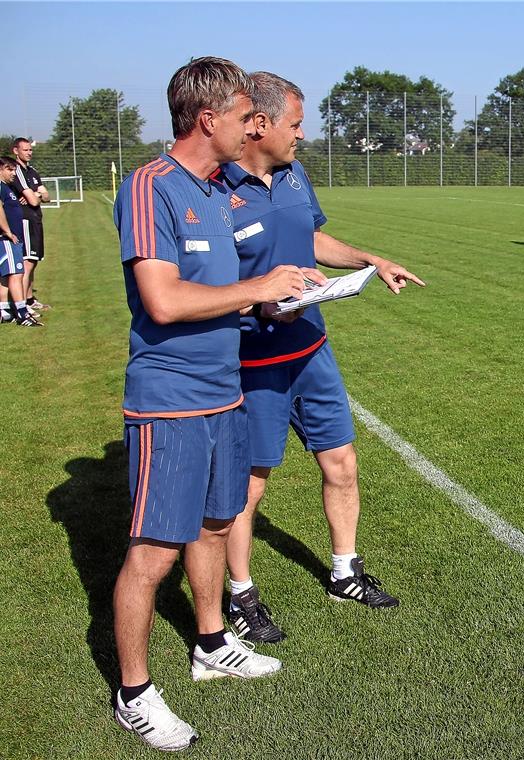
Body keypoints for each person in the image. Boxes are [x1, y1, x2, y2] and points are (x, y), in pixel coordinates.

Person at [111, 57, 309, 752]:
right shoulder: (150, 188)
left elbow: (223, 294)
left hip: (226, 392)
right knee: (153, 553)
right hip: (170, 401)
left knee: (218, 527)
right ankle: (133, 693)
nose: (251, 126)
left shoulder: (219, 190)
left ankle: (210, 644)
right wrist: (255, 292)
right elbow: (164, 301)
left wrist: (275, 303)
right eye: (242, 116)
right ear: (208, 119)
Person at [217, 71, 425, 643]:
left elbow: (312, 240)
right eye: (296, 123)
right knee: (249, 484)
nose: (302, 135)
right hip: (253, 359)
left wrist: (369, 260)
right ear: (258, 124)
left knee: (342, 463)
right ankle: (240, 594)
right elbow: (205, 284)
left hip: (311, 349)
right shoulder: (214, 188)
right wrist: (262, 300)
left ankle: (344, 571)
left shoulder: (293, 175)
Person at [10, 137, 50, 310]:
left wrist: (36, 195)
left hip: (36, 220)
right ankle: (23, 305)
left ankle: (30, 299)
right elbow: (33, 201)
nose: (29, 153)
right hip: (25, 220)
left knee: (34, 260)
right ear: (16, 151)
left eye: (30, 150)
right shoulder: (16, 170)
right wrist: (35, 196)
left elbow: (46, 196)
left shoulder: (32, 171)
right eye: (25, 150)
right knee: (27, 261)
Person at [0, 157, 37, 325]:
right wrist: (8, 232)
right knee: (16, 274)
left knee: (6, 276)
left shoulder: (6, 188)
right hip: (8, 238)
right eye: (10, 169)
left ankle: (5, 311)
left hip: (12, 237)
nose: (14, 173)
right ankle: (22, 314)